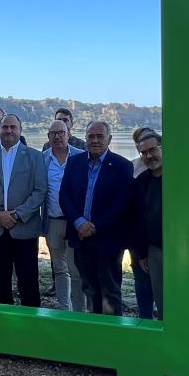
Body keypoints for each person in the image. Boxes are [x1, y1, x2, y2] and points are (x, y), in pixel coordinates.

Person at [60, 120, 133, 315]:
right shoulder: (74, 162)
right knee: (89, 289)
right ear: (85, 139)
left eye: (100, 136)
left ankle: (113, 336)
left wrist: (94, 226)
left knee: (110, 291)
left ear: (109, 139)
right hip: (80, 237)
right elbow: (64, 195)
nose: (95, 140)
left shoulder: (122, 166)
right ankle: (95, 335)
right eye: (91, 136)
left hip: (107, 240)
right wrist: (79, 222)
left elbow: (121, 203)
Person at [0, 113, 47, 306]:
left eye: (13, 127)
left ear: (20, 130)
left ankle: (32, 325)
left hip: (24, 228)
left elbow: (40, 191)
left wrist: (18, 214)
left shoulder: (34, 156)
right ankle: (4, 326)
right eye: (5, 127)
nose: (8, 131)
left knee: (29, 282)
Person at [41, 119, 85, 311]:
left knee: (76, 271)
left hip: (74, 222)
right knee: (59, 269)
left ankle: (79, 311)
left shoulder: (81, 157)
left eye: (61, 132)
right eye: (54, 133)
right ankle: (64, 308)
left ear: (69, 134)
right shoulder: (42, 159)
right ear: (48, 137)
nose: (58, 136)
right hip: (52, 222)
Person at [131, 132, 163, 319]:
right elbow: (138, 220)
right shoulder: (141, 183)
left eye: (153, 150)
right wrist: (142, 253)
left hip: (183, 251)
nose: (149, 156)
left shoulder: (179, 179)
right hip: (155, 250)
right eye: (144, 153)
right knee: (161, 300)